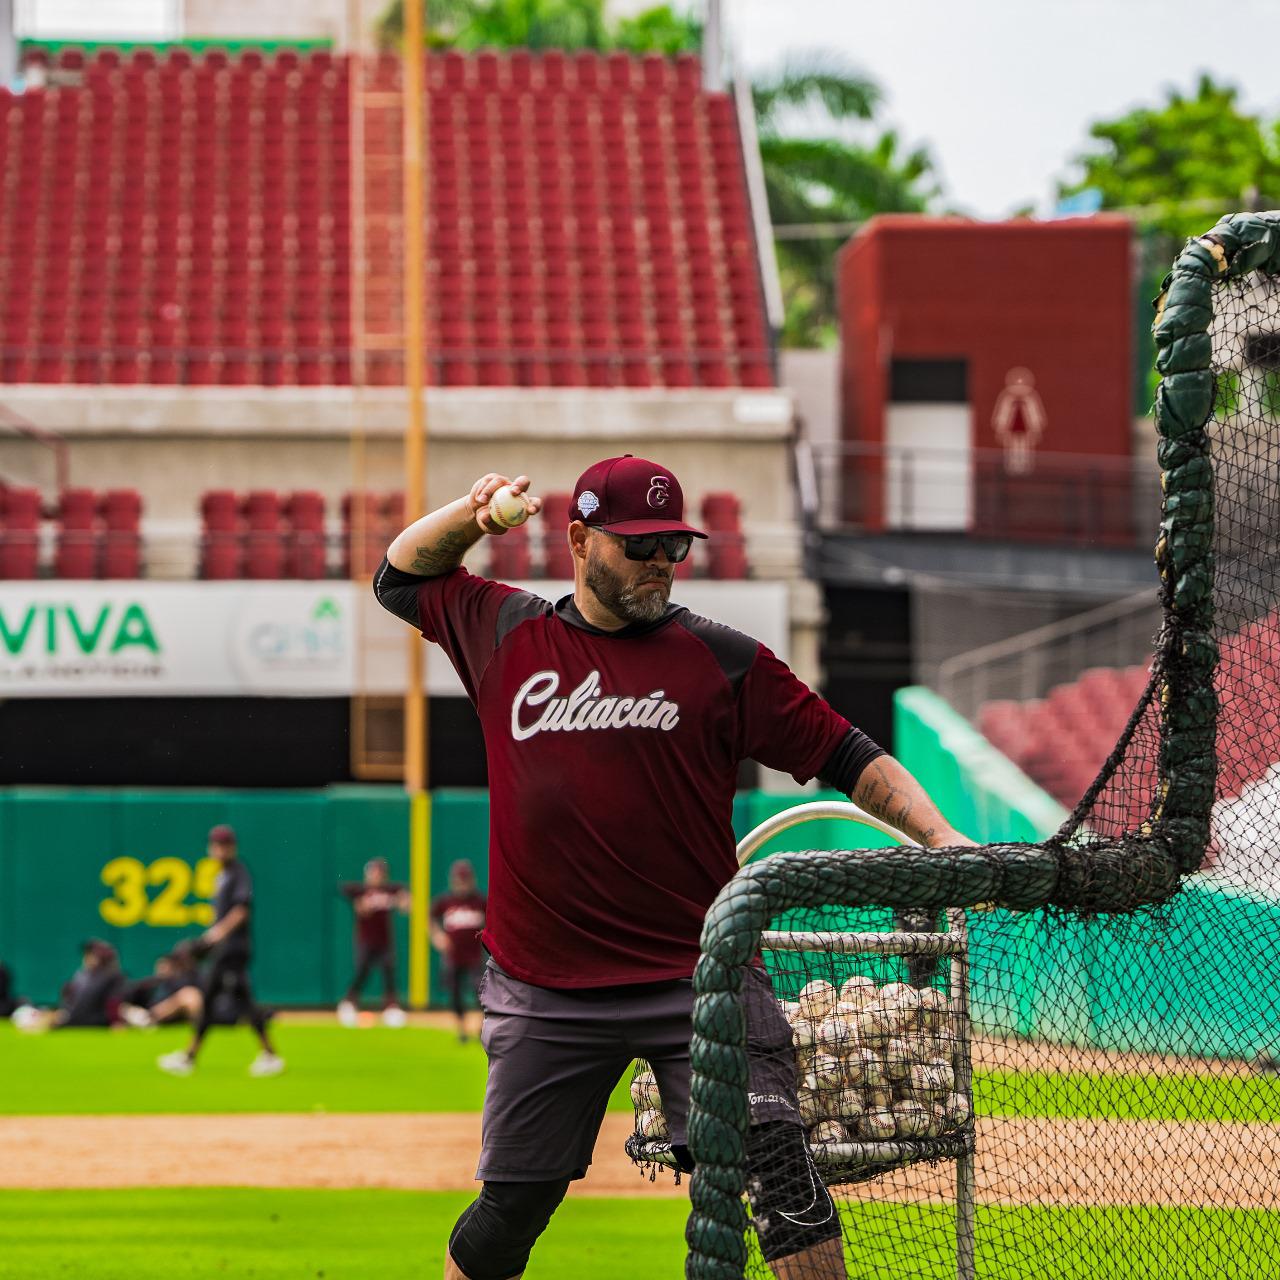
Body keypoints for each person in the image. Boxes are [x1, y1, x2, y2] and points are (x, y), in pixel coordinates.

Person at [374, 457, 976, 1280]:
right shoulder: (506, 632)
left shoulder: (722, 660)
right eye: (640, 544)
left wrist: (941, 838)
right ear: (580, 541)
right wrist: (474, 519)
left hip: (701, 975)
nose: (661, 560)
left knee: (785, 1184)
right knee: (513, 1209)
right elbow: (399, 577)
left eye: (674, 545)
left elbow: (847, 752)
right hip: (544, 986)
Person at [157, 825, 284, 1077]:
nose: (219, 849)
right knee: (232, 1000)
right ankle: (265, 1054)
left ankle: (190, 1057)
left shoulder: (238, 872)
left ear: (232, 847)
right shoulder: (222, 875)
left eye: (224, 844)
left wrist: (216, 934)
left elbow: (241, 910)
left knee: (226, 999)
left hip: (233, 949)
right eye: (216, 844)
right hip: (225, 949)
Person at [337, 857, 411, 1027]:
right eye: (374, 872)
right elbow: (344, 889)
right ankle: (348, 1002)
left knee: (389, 971)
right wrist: (359, 903)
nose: (377, 876)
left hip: (385, 940)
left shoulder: (390, 890)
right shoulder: (360, 890)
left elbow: (404, 899)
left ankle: (391, 1007)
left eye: (380, 872)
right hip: (365, 940)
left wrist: (404, 901)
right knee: (362, 971)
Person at [429, 859, 487, 1042]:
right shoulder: (445, 901)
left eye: (465, 880)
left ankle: (481, 1026)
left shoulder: (480, 901)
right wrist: (437, 936)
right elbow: (430, 918)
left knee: (480, 993)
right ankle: (461, 1029)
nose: (462, 885)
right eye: (459, 880)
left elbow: (493, 922)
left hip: (475, 956)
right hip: (453, 957)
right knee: (454, 995)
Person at [120, 945, 205, 1027]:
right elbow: (127, 999)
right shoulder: (150, 983)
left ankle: (201, 1025)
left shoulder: (183, 980)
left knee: (189, 995)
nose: (162, 969)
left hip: (174, 1015)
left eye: (165, 966)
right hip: (150, 1014)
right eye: (160, 966)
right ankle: (145, 1021)